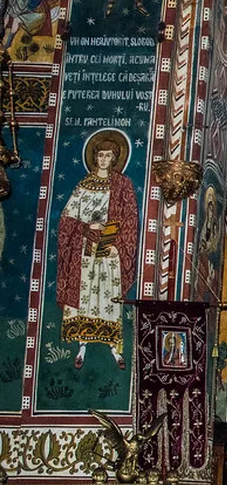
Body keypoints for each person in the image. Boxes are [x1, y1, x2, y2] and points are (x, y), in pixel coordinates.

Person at [56, 130, 139, 370]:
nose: (103, 159)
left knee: (108, 295)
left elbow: (130, 218)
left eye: (108, 155)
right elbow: (66, 219)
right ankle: (82, 345)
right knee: (85, 295)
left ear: (115, 158)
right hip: (85, 247)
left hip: (110, 245)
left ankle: (114, 347)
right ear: (95, 157)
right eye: (100, 155)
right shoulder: (84, 185)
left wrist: (115, 244)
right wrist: (87, 226)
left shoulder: (122, 185)